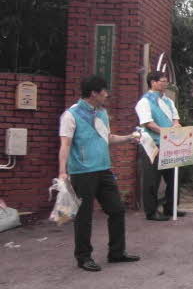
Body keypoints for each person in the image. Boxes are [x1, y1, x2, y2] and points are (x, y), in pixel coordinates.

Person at [57, 75, 141, 272]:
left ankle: (117, 253)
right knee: (84, 216)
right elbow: (65, 144)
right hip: (82, 172)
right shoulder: (71, 115)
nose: (107, 94)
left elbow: (108, 138)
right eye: (104, 91)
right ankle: (83, 257)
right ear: (93, 93)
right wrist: (62, 172)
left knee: (117, 210)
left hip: (104, 170)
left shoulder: (101, 114)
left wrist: (130, 137)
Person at [135, 70, 183, 221]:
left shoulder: (168, 101)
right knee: (152, 179)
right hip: (152, 144)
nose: (165, 83)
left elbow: (175, 118)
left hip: (170, 144)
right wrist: (166, 132)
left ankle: (171, 207)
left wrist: (175, 126)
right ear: (153, 82)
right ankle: (151, 211)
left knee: (173, 176)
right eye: (162, 81)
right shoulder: (144, 101)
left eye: (165, 81)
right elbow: (148, 123)